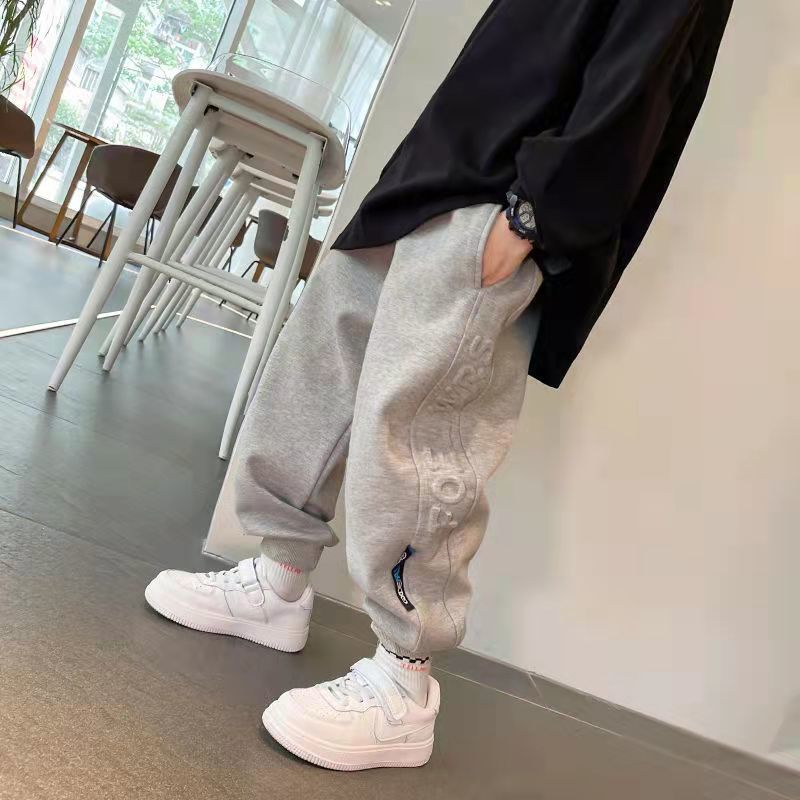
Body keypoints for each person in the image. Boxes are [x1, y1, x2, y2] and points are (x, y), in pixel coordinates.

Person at [144, 0, 733, 771]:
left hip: (505, 198)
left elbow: (645, 68)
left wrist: (533, 217)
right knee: (318, 372)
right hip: (434, 164)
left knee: (420, 431)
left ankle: (402, 686)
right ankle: (278, 582)